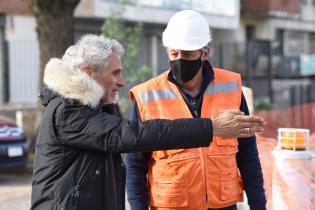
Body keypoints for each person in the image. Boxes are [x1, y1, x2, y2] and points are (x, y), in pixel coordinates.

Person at [30, 34, 264, 210]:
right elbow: (134, 136)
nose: (122, 82)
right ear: (88, 72)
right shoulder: (66, 112)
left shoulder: (95, 109)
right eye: (115, 73)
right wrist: (211, 127)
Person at [125, 10, 267, 210]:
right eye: (174, 54)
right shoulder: (147, 96)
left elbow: (248, 154)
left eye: (188, 54)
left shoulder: (230, 87)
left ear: (204, 53)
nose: (180, 59)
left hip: (223, 204)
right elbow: (135, 165)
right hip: (171, 205)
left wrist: (259, 205)